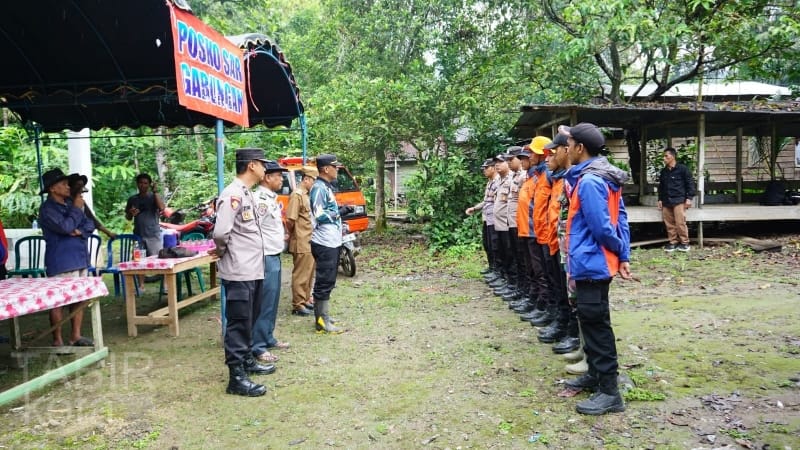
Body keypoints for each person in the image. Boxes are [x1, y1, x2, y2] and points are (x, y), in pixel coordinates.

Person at [561, 123, 632, 415]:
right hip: (593, 260)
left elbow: (603, 227)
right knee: (591, 321)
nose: (566, 150)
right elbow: (622, 219)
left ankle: (610, 391)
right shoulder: (601, 176)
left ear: (580, 148)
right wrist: (623, 252)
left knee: (596, 323)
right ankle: (595, 375)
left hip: (593, 261)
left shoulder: (590, 182)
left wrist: (616, 250)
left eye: (569, 144)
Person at [212, 148, 276, 397]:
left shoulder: (246, 193)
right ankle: (236, 377)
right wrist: (220, 252)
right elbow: (220, 233)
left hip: (253, 269)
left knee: (250, 317)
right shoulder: (232, 194)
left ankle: (248, 360)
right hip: (239, 270)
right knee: (239, 322)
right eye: (262, 164)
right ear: (251, 165)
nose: (265, 169)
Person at [38, 168, 96, 347]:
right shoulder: (47, 209)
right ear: (52, 189)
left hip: (79, 257)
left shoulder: (71, 204)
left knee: (80, 298)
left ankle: (75, 336)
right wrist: (75, 215)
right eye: (63, 184)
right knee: (58, 301)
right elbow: (64, 227)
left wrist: (77, 230)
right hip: (61, 260)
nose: (67, 186)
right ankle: (58, 340)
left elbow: (90, 224)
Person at [252, 160, 290, 363]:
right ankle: (257, 346)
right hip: (265, 256)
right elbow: (254, 228)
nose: (281, 180)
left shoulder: (271, 198)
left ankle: (268, 336)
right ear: (267, 178)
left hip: (274, 254)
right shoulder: (260, 199)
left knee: (273, 300)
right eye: (278, 176)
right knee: (264, 301)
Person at [310, 153, 350, 333]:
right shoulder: (318, 188)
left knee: (329, 280)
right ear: (326, 169)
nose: (337, 170)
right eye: (335, 167)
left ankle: (323, 316)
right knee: (324, 281)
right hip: (324, 242)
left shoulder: (326, 187)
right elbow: (319, 215)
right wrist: (338, 213)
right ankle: (321, 322)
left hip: (331, 241)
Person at [286, 166, 318, 316]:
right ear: (306, 179)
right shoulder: (297, 195)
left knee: (309, 272)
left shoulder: (307, 195)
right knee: (300, 274)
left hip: (310, 239)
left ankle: (305, 299)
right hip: (301, 240)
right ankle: (297, 304)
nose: (314, 184)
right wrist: (292, 235)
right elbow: (290, 220)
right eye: (313, 181)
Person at [125, 173, 165, 288]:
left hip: (153, 234)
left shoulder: (154, 197)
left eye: (145, 183)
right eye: (140, 183)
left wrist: (156, 191)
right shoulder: (132, 199)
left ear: (149, 184)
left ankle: (164, 286)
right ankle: (141, 285)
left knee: (160, 261)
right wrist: (130, 213)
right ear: (137, 184)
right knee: (139, 261)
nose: (143, 185)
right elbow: (128, 217)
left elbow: (162, 208)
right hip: (138, 234)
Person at [658, 147, 695, 252]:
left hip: (679, 200)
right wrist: (660, 199)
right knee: (669, 223)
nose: (664, 158)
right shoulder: (664, 171)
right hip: (666, 201)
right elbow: (661, 186)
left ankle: (685, 243)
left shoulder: (683, 169)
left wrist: (689, 198)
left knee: (680, 222)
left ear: (673, 157)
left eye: (666, 156)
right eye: (664, 156)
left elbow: (690, 184)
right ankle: (673, 242)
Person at [68, 173, 117, 239]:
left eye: (81, 186)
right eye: (78, 186)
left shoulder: (81, 202)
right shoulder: (64, 203)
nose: (80, 189)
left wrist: (108, 233)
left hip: (80, 239)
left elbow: (92, 219)